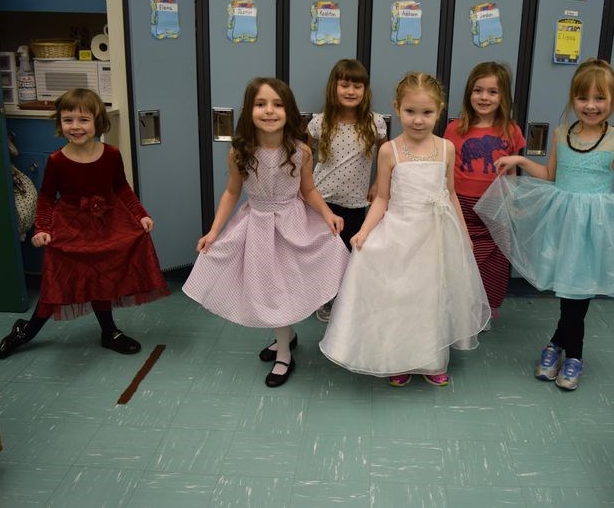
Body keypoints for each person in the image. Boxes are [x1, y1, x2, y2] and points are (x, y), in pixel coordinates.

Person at [475, 58, 614, 391]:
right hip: (561, 225)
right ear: (573, 99)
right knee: (568, 297)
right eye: (583, 98)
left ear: (613, 99)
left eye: (600, 98)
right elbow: (550, 175)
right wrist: (520, 160)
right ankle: (558, 346)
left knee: (576, 298)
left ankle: (571, 353)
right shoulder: (562, 134)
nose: (591, 106)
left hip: (592, 230)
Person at [319, 72, 490, 387]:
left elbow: (450, 193)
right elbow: (382, 198)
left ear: (439, 112)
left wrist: (463, 234)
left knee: (430, 298)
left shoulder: (446, 149)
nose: (419, 120)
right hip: (399, 234)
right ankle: (400, 357)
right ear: (397, 108)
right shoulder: (390, 151)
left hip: (435, 236)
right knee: (400, 297)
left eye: (427, 113)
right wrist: (365, 231)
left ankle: (431, 358)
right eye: (411, 111)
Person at [182, 77, 349, 387]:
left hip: (291, 225)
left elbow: (309, 190)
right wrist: (214, 231)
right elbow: (231, 193)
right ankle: (286, 337)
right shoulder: (239, 151)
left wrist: (328, 214)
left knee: (282, 289)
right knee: (270, 290)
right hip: (257, 227)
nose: (269, 111)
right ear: (249, 110)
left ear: (289, 111)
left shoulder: (300, 150)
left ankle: (284, 352)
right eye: (261, 104)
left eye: (277, 104)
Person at [0, 88, 169, 359]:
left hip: (107, 223)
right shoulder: (57, 160)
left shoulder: (111, 154)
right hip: (70, 227)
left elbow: (121, 188)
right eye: (68, 120)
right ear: (59, 124)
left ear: (98, 122)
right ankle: (26, 331)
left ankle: (109, 332)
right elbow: (46, 197)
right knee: (57, 281)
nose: (75, 127)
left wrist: (140, 214)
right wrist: (42, 228)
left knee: (100, 275)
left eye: (83, 120)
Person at [443, 62, 526, 330]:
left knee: (496, 260)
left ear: (503, 97)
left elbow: (512, 171)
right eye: (478, 90)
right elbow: (446, 170)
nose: (484, 97)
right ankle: (462, 306)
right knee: (464, 256)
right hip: (462, 204)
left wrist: (512, 203)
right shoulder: (455, 129)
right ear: (469, 93)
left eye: (492, 92)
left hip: (496, 204)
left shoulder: (511, 130)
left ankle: (486, 307)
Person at [308, 59, 388, 322]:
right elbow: (304, 157)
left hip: (355, 203)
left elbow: (386, 156)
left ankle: (343, 298)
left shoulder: (374, 123)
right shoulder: (320, 122)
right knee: (324, 254)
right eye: (344, 85)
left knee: (348, 253)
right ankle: (323, 298)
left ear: (365, 90)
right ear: (334, 87)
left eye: (357, 86)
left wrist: (378, 182)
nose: (351, 91)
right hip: (323, 201)